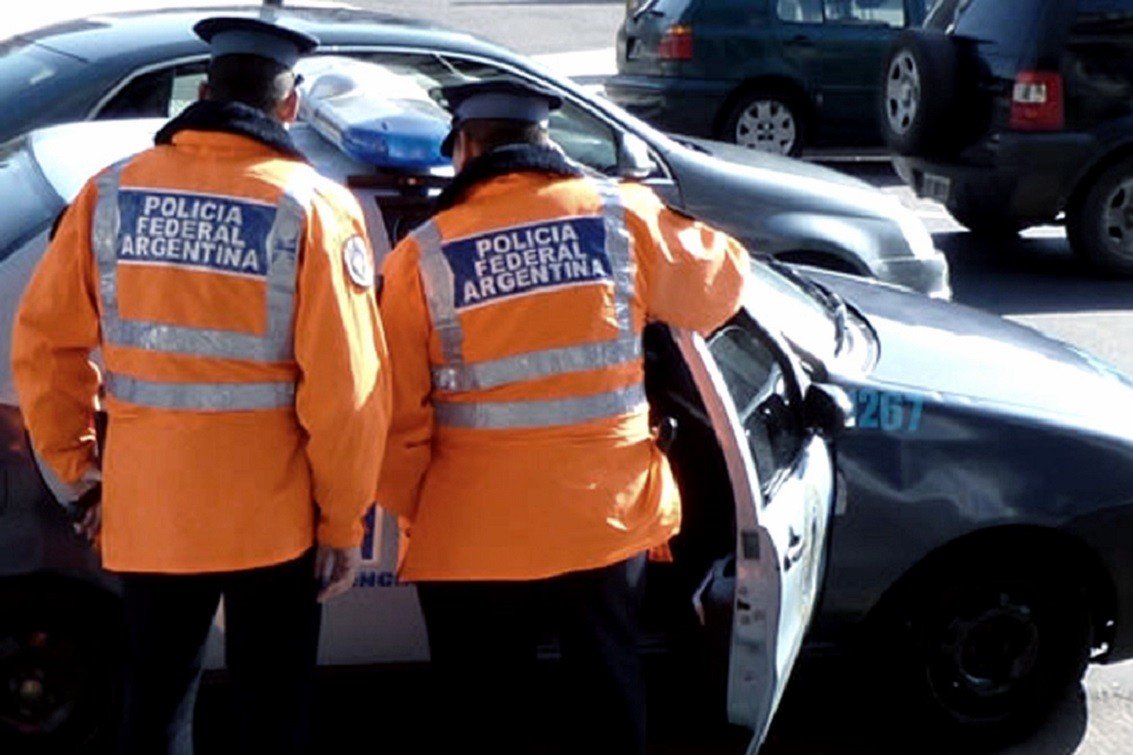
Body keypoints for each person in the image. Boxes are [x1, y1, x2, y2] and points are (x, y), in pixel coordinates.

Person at [11, 16, 391, 755]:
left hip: (150, 507)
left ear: (203, 93)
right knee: (271, 717)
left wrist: (83, 475)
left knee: (155, 706)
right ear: (289, 104)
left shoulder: (111, 192)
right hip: (273, 520)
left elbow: (45, 347)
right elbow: (347, 391)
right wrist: (343, 523)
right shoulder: (313, 206)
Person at [375, 79, 748, 754]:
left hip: (473, 531)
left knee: (485, 712)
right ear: (547, 143)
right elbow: (721, 289)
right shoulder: (622, 216)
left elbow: (397, 418)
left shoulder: (420, 256)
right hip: (601, 519)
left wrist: (411, 509)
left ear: (466, 149)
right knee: (608, 692)